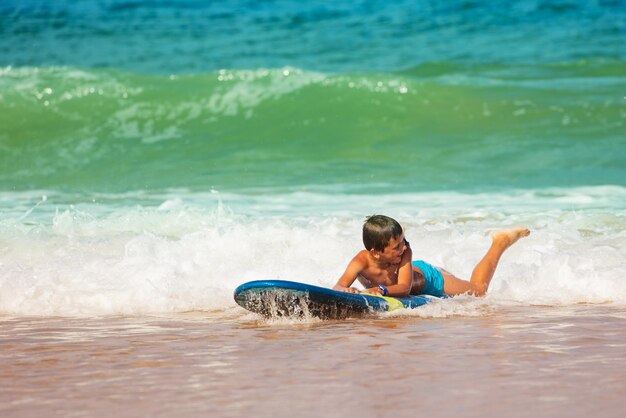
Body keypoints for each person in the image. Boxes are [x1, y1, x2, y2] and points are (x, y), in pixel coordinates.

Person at [332, 215, 530, 297]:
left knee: (478, 292)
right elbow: (339, 287)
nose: (403, 248)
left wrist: (381, 290)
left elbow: (404, 288)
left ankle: (500, 241)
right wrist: (347, 291)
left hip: (430, 279)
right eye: (396, 247)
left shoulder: (405, 253)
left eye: (403, 242)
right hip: (410, 278)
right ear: (375, 252)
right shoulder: (361, 260)